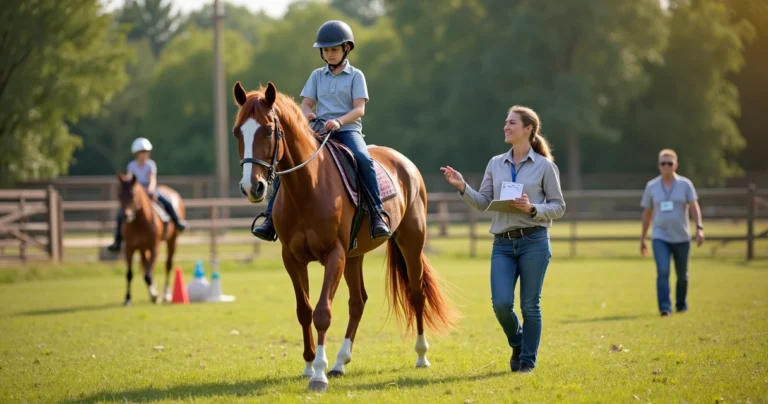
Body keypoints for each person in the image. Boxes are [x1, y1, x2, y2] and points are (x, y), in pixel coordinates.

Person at [440, 106, 566, 374]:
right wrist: (463, 186)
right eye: (506, 123)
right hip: (503, 245)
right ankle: (518, 342)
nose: (506, 127)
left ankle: (527, 362)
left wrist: (532, 208)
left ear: (528, 129)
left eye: (512, 123)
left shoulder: (545, 167)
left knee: (530, 306)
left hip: (535, 241)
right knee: (501, 304)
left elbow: (558, 206)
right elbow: (484, 202)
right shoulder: (496, 163)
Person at [251, 20, 391, 242]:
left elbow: (359, 109)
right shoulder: (317, 75)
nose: (329, 54)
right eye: (325, 50)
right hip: (317, 130)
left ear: (346, 48)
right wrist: (308, 115)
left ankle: (377, 214)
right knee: (286, 162)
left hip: (347, 130)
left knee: (363, 159)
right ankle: (269, 218)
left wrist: (338, 121)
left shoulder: (356, 76)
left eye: (334, 49)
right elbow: (306, 104)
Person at [640, 149, 704, 317]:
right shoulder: (652, 186)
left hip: (682, 237)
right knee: (663, 271)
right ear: (659, 165)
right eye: (663, 163)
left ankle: (681, 304)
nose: (666, 166)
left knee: (682, 275)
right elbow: (647, 214)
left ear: (676, 164)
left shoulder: (685, 185)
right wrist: (643, 238)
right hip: (660, 237)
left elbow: (694, 207)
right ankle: (665, 308)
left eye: (669, 163)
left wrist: (699, 228)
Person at [107, 138, 187, 252]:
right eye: (141, 153)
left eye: (146, 152)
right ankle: (117, 240)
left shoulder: (150, 165)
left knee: (166, 202)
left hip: (149, 190)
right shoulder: (132, 165)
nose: (144, 155)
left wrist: (150, 189)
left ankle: (177, 221)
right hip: (136, 193)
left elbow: (152, 179)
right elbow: (130, 180)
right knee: (121, 214)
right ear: (136, 154)